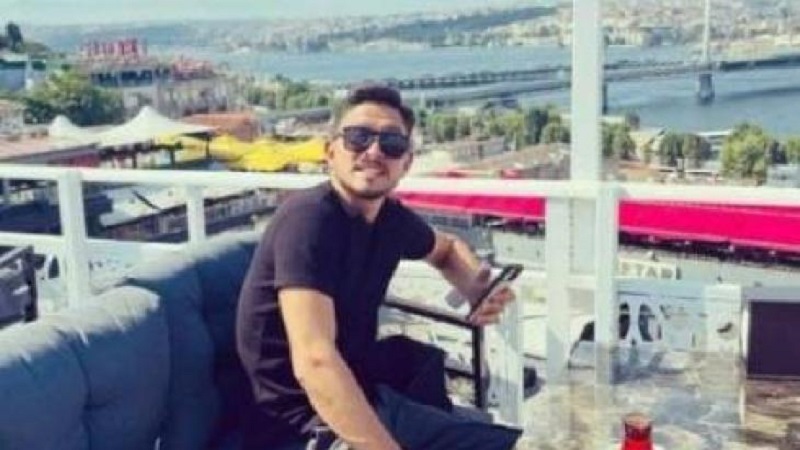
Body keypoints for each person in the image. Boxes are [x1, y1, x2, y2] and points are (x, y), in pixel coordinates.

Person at [236, 84, 522, 450]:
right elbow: (315, 362)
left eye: (391, 143)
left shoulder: (389, 219)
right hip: (301, 426)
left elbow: (447, 249)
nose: (373, 152)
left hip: (364, 396)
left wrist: (476, 288)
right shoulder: (309, 220)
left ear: (406, 162)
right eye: (358, 137)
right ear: (330, 152)